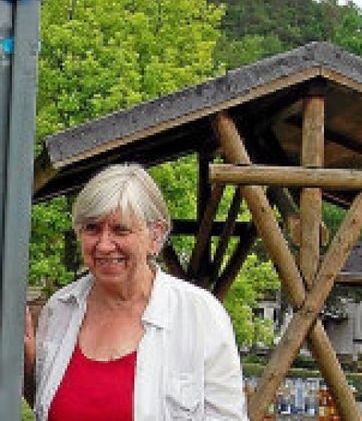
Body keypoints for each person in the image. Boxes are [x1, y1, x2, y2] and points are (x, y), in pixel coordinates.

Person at [23, 163, 246, 420]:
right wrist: (28, 370)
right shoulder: (60, 308)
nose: (104, 245)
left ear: (155, 236)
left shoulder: (199, 315)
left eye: (120, 230)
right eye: (92, 228)